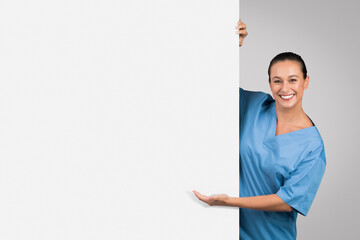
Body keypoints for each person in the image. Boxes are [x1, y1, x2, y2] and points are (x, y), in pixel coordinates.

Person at [192, 18, 326, 239]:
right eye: (277, 81)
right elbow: (210, 83)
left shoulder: (313, 147)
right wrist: (230, 46)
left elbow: (286, 202)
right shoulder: (254, 105)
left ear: (306, 81)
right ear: (270, 83)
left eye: (293, 80)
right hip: (226, 231)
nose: (285, 88)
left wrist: (228, 201)